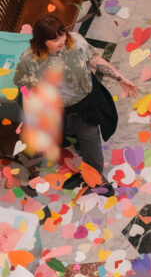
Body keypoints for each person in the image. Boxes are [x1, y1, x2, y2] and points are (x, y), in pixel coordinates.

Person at [13, 15, 137, 193]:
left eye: (62, 34)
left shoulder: (76, 42)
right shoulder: (29, 60)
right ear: (41, 41)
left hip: (87, 102)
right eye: (54, 38)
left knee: (90, 139)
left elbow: (96, 61)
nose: (61, 40)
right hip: (59, 109)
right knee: (66, 133)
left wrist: (120, 78)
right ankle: (79, 148)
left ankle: (96, 180)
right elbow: (24, 87)